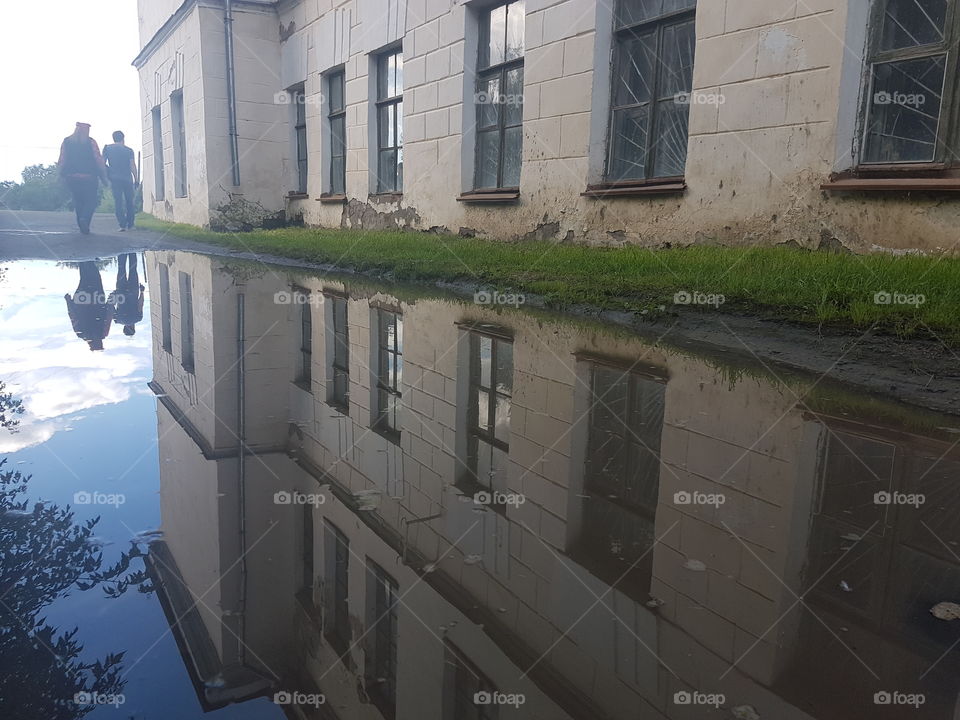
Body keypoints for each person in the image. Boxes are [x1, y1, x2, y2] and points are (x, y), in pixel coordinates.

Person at [57, 122, 106, 234]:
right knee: (91, 201)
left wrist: (60, 175)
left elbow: (62, 159)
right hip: (89, 177)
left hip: (72, 177)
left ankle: (81, 225)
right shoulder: (91, 142)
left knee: (78, 201)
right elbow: (98, 159)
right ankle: (85, 220)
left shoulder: (67, 141)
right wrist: (103, 175)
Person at [65, 262, 113, 351]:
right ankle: (82, 259)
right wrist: (68, 301)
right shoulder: (80, 333)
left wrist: (111, 300)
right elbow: (73, 317)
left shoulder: (103, 333)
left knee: (95, 276)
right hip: (81, 301)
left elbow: (108, 315)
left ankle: (87, 257)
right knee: (84, 278)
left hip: (97, 299)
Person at [102, 131, 138, 231]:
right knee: (129, 202)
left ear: (113, 138)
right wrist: (136, 179)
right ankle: (131, 224)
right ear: (123, 138)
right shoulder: (129, 150)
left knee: (118, 201)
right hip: (127, 179)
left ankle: (122, 224)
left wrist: (106, 174)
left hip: (115, 179)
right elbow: (132, 165)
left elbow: (102, 163)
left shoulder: (107, 149)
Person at [110, 254, 145, 336]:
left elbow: (140, 304)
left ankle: (132, 251)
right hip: (121, 292)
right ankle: (122, 252)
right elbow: (111, 307)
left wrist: (142, 292)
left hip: (133, 291)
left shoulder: (138, 318)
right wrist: (114, 295)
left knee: (133, 269)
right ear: (124, 328)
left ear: (133, 328)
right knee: (121, 269)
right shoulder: (117, 320)